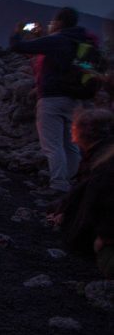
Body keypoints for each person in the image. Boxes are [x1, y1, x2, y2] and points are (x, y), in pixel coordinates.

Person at [10, 7, 100, 194]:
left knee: (52, 145)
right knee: (71, 144)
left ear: (59, 22)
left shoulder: (57, 40)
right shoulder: (82, 41)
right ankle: (72, 182)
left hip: (52, 99)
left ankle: (58, 185)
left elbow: (19, 47)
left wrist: (17, 32)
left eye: (53, 22)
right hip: (74, 99)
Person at [57, 108, 114, 276]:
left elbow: (101, 200)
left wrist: (105, 236)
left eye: (73, 129)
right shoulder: (101, 157)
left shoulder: (104, 166)